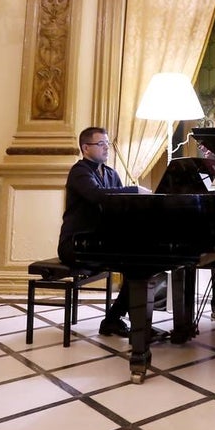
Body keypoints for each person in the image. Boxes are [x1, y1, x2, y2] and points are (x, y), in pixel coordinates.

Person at [57, 126, 150, 338]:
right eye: (101, 144)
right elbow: (98, 195)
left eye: (107, 144)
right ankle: (116, 320)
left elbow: (120, 207)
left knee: (141, 264)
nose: (107, 148)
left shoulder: (110, 173)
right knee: (138, 265)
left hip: (99, 242)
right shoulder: (79, 172)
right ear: (85, 148)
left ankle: (115, 320)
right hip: (76, 244)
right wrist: (134, 190)